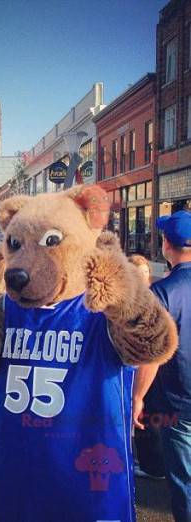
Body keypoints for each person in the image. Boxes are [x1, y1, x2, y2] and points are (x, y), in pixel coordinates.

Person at [134, 210, 191, 522]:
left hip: (177, 403)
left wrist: (138, 397)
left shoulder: (163, 293)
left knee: (184, 481)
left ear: (167, 244)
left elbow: (151, 354)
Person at [127, 254, 166, 481]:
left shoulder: (154, 296)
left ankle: (152, 464)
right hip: (135, 366)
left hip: (149, 367)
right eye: (137, 273)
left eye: (144, 273)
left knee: (146, 415)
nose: (142, 277)